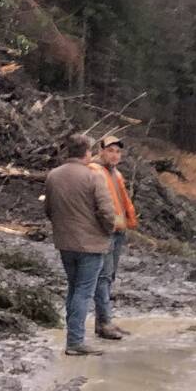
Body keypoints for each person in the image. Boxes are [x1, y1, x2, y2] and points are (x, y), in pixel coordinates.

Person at [45, 134, 123, 356]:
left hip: (64, 243)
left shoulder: (53, 175)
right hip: (90, 244)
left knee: (73, 288)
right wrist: (107, 231)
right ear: (87, 152)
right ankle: (75, 342)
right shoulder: (93, 177)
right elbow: (107, 212)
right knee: (83, 291)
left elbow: (49, 210)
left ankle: (74, 337)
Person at [92, 135, 139, 340]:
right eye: (110, 150)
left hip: (118, 230)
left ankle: (103, 321)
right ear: (101, 151)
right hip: (105, 231)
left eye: (118, 151)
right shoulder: (95, 172)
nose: (115, 155)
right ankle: (105, 322)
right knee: (103, 277)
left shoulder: (115, 173)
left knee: (108, 277)